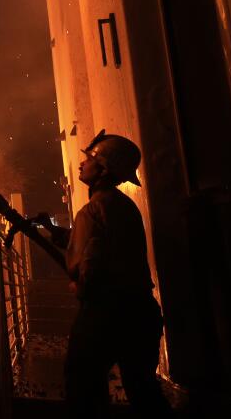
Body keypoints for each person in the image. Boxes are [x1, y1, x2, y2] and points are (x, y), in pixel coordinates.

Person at [34, 130, 173, 418]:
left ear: (104, 169)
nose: (81, 163)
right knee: (143, 391)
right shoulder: (121, 206)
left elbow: (90, 262)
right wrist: (53, 231)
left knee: (82, 384)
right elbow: (96, 242)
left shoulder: (93, 210)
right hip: (140, 313)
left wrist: (81, 286)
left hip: (105, 313)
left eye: (89, 159)